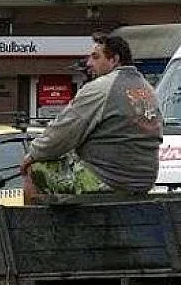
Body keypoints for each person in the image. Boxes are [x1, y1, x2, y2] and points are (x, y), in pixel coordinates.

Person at [20, 32, 163, 198]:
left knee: (35, 170)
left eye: (95, 57)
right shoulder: (147, 89)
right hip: (144, 180)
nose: (89, 63)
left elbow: (62, 132)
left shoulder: (101, 88)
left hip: (107, 180)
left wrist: (32, 155)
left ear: (114, 60)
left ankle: (33, 223)